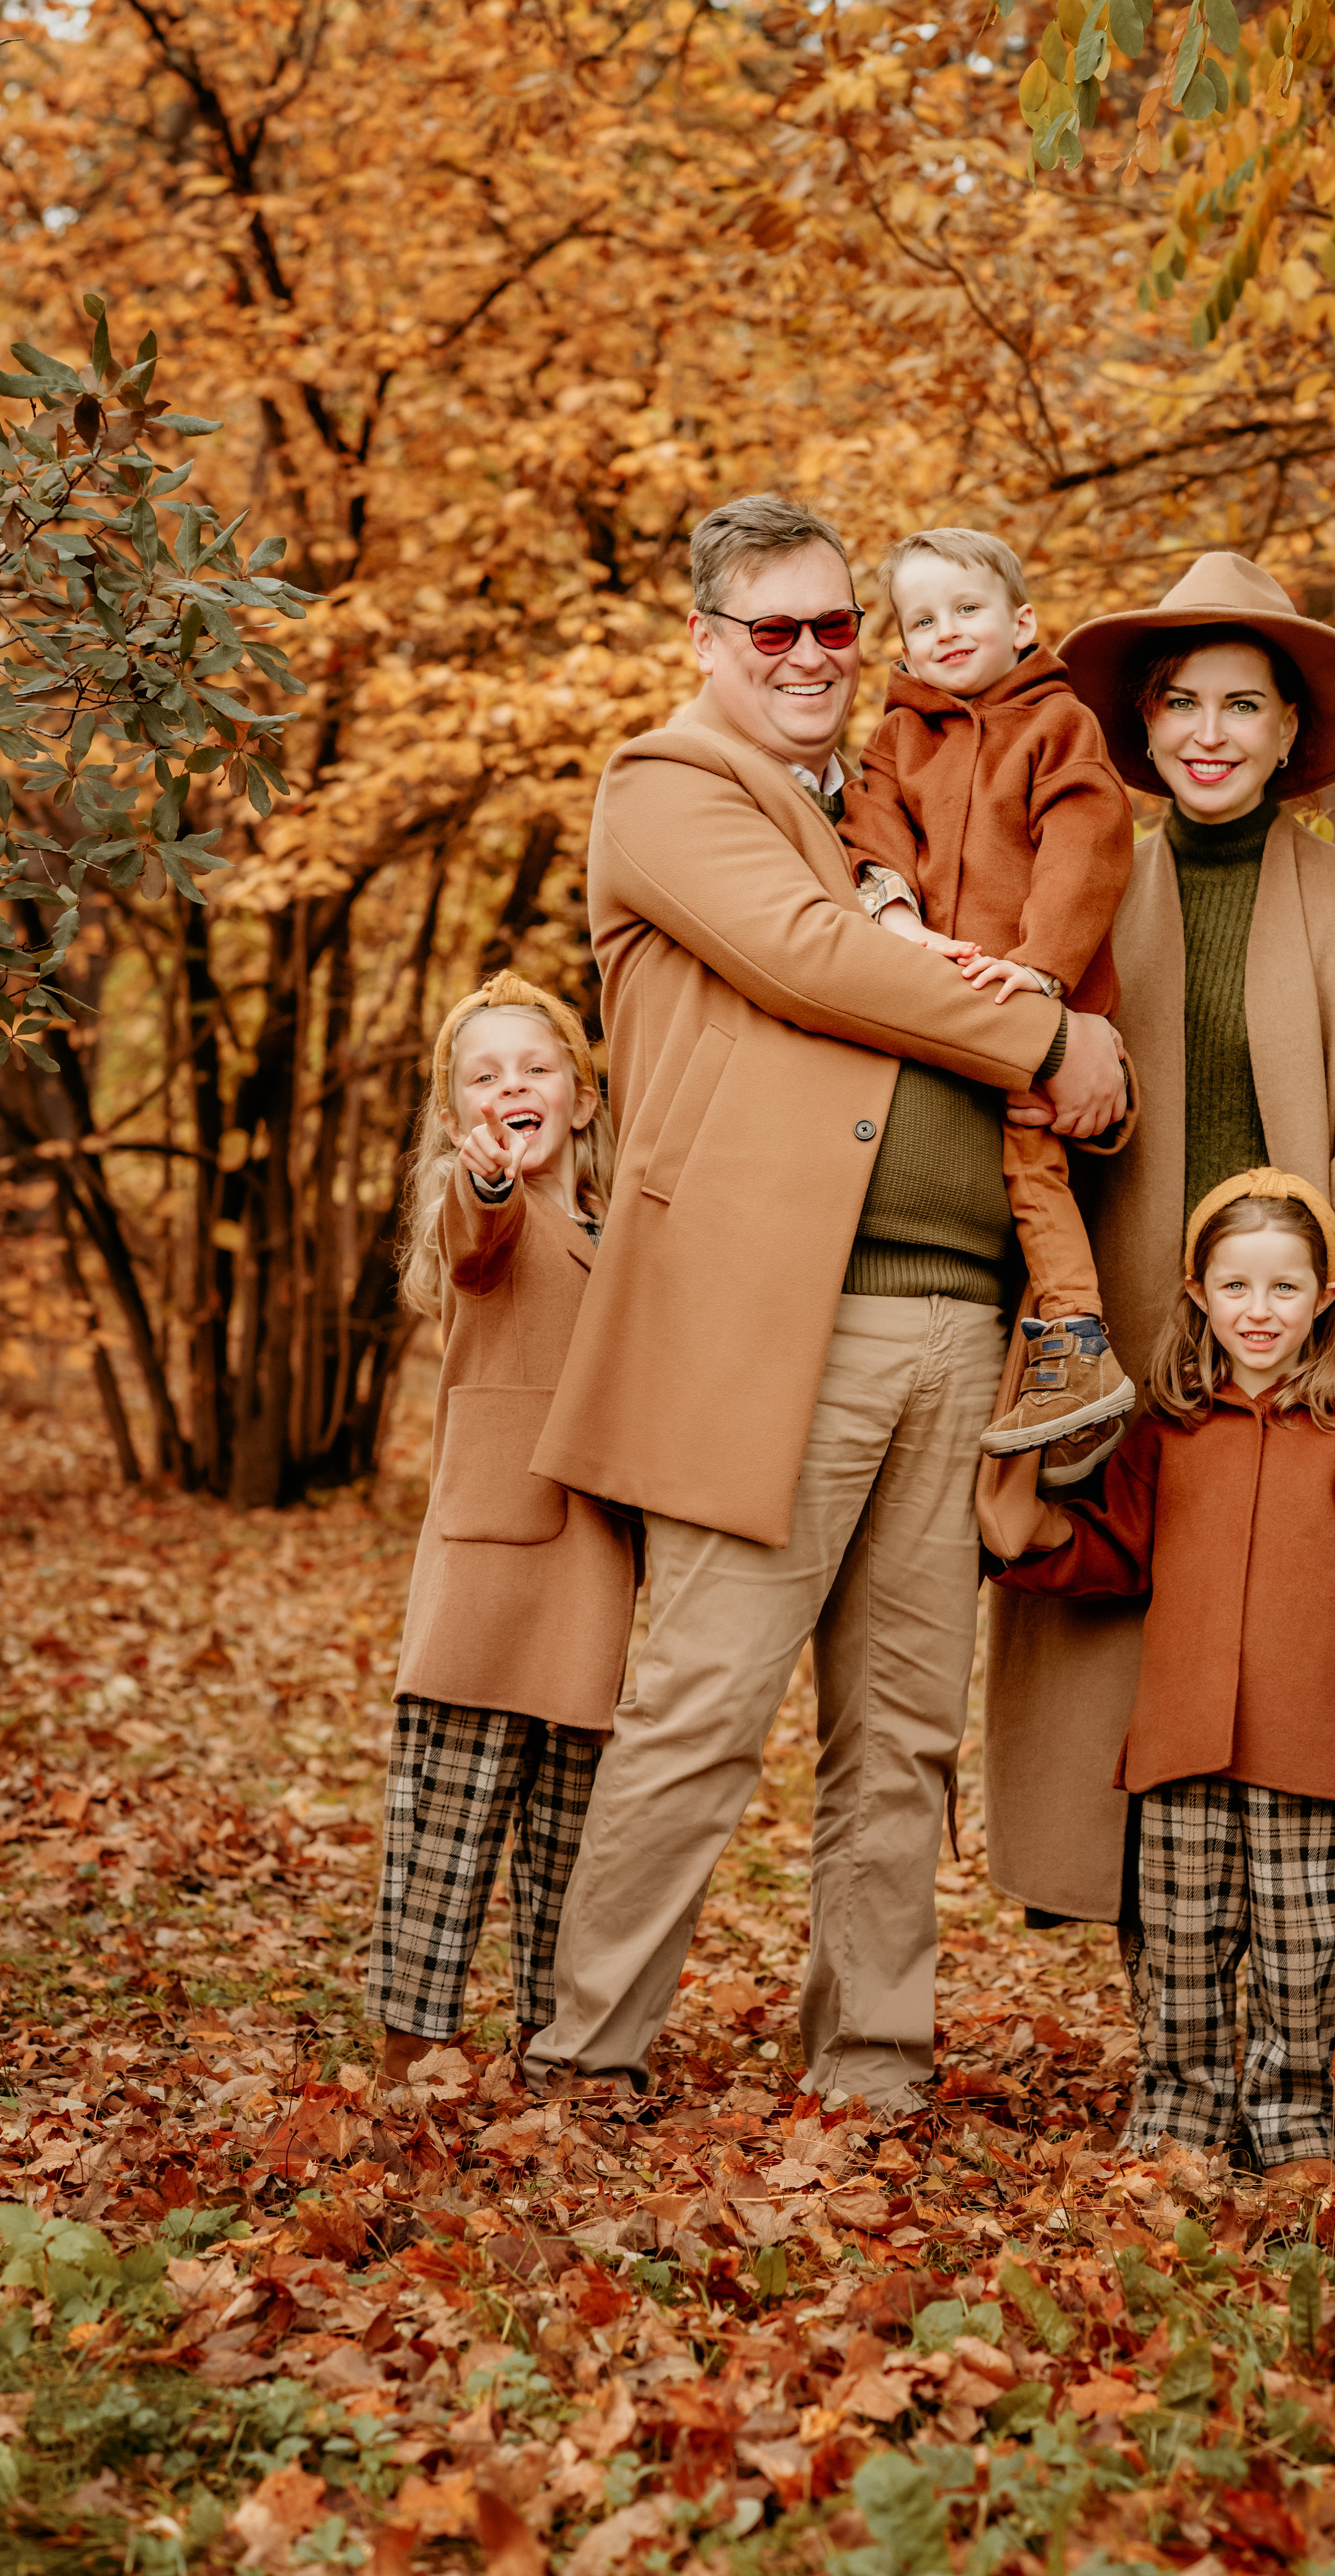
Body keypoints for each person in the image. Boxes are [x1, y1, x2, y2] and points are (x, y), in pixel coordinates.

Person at [524, 495, 1128, 2114]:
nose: (810, 654)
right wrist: (1050, 1038)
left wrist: (1095, 1065)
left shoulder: (887, 800)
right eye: (773, 627)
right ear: (708, 640)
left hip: (955, 1319)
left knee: (903, 1729)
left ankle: (871, 2060)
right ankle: (591, 2044)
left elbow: (1035, 923)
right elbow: (815, 961)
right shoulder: (669, 783)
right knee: (707, 1700)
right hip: (779, 1326)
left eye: (832, 625)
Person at [980, 549, 1335, 1933]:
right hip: (1120, 1342)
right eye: (1179, 702)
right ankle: (1168, 2027)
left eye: (1241, 704)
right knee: (1116, 1648)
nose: (1208, 732)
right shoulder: (1082, 894)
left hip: (1292, 1347)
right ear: (1143, 730)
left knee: (1303, 1650)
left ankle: (1286, 2022)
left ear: (1288, 734)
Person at [995, 1174, 1335, 2170]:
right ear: (1197, 1292)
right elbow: (1117, 1554)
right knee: (1180, 1949)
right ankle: (1179, 2123)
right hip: (1182, 1745)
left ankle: (1291, 2126)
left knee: (1302, 1952)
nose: (1259, 1310)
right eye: (1236, 1286)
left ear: (1328, 1296)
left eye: (1285, 1288)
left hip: (1315, 1750)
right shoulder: (1168, 1430)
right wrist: (1027, 1541)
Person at [367, 974, 637, 2086]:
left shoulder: (620, 1224)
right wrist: (484, 1179)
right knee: (449, 1822)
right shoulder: (493, 1209)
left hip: (599, 1562)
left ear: (581, 1097)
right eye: (483, 1077)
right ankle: (413, 2040)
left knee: (571, 1836)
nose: (511, 1088)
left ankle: (551, 2036)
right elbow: (473, 1230)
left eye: (534, 1069)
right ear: (454, 1119)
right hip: (493, 1569)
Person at [837, 528, 1138, 1459]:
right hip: (933, 990)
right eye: (921, 620)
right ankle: (1051, 1363)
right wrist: (898, 925)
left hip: (1026, 992)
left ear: (1021, 622)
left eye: (966, 609)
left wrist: (1042, 967)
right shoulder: (898, 735)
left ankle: (1077, 1341)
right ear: (901, 645)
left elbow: (1085, 843)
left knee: (1031, 1158)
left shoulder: (1058, 726)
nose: (946, 631)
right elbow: (869, 832)